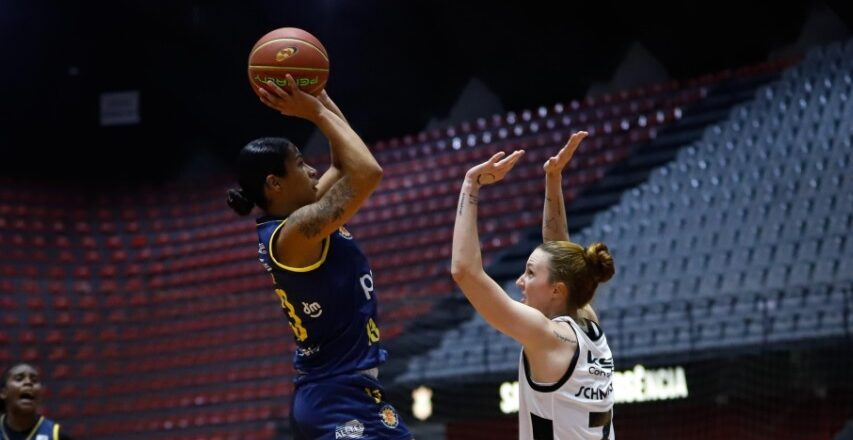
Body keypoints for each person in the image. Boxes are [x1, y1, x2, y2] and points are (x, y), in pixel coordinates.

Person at [226, 75, 412, 440]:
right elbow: (368, 172)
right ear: (274, 184)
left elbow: (344, 165)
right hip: (336, 397)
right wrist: (314, 113)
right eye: (299, 164)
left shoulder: (299, 216)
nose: (312, 170)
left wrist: (321, 99)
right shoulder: (294, 235)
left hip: (342, 390)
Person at [450, 131, 616, 440]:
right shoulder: (587, 323)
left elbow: (464, 272)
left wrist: (470, 186)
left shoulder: (547, 336)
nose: (519, 281)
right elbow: (560, 255)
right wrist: (553, 179)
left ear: (556, 289)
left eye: (529, 273)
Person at [1, 363, 73, 440]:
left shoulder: (57, 435)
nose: (28, 382)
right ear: (3, 392)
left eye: (34, 380)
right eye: (19, 379)